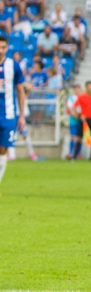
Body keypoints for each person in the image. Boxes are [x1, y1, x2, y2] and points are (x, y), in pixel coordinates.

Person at [0, 35, 26, 192]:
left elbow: (20, 91)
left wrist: (22, 115)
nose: (0, 50)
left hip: (8, 114)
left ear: (7, 48)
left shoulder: (14, 66)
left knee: (3, 149)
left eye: (3, 47)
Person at [66, 84, 82, 160]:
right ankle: (71, 152)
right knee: (73, 137)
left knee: (80, 137)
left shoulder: (82, 98)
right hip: (73, 120)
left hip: (81, 120)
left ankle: (78, 153)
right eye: (75, 89)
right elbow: (69, 109)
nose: (77, 90)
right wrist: (75, 115)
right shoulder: (71, 99)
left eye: (78, 89)